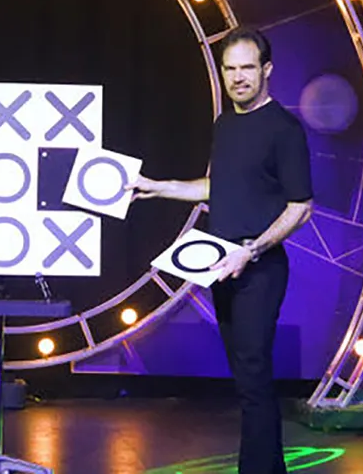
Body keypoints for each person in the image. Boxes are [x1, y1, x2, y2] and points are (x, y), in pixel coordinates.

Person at [127, 27, 313, 474]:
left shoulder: (284, 129)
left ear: (266, 70)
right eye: (230, 69)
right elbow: (216, 185)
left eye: (247, 68)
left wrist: (251, 250)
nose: (238, 78)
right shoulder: (225, 124)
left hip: (258, 270)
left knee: (253, 381)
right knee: (246, 380)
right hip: (221, 266)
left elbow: (301, 207)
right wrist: (160, 187)